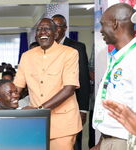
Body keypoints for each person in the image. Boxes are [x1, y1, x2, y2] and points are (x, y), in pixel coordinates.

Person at [14, 18, 82, 150]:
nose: (42, 32)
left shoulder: (70, 53)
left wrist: (40, 110)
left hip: (63, 123)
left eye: (47, 29)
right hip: (36, 123)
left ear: (56, 33)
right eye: (39, 29)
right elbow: (17, 87)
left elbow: (69, 89)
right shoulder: (26, 56)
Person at [92, 3, 136, 150]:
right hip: (110, 139)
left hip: (126, 142)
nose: (101, 30)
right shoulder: (117, 58)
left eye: (102, 25)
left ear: (114, 24)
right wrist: (102, 142)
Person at [52, 14, 91, 150]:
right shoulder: (45, 47)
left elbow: (83, 80)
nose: (55, 30)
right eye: (52, 26)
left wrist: (83, 109)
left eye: (58, 26)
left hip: (72, 106)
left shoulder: (77, 47)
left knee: (74, 143)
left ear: (65, 29)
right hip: (50, 107)